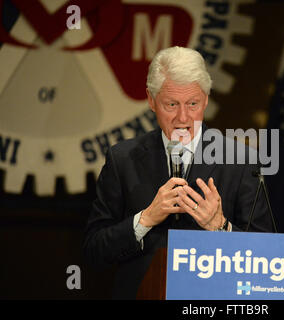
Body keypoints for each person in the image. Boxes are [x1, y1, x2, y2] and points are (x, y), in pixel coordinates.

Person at [83, 46, 274, 299]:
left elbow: (268, 257)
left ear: (206, 99)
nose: (183, 117)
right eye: (171, 104)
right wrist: (145, 219)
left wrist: (221, 227)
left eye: (193, 104)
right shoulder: (123, 159)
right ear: (151, 100)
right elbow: (94, 250)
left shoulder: (241, 161)